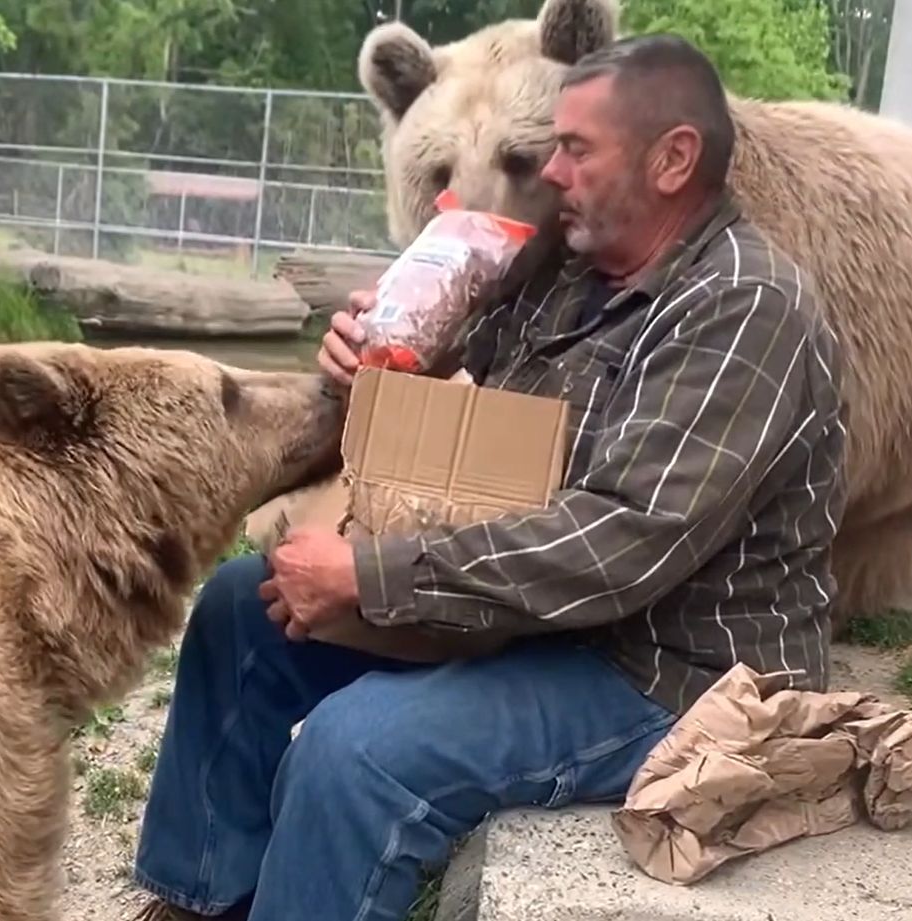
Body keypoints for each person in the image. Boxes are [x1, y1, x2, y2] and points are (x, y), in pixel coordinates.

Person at [127, 32, 847, 921]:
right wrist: (386, 355)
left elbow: (618, 543)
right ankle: (201, 900)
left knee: (356, 754)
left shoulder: (743, 308)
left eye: (573, 151)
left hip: (668, 672)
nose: (549, 174)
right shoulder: (566, 274)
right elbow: (471, 414)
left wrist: (373, 578)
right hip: (544, 621)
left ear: (672, 159)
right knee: (244, 606)